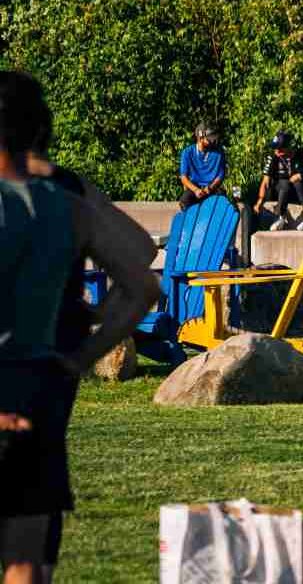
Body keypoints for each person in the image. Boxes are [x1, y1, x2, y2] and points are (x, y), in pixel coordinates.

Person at [1, 71, 161, 584]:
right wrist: (85, 351)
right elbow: (140, 264)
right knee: (27, 557)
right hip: (39, 381)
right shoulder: (67, 200)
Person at [250, 132, 303, 233]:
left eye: (280, 148)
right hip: (282, 191)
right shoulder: (273, 157)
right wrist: (260, 201)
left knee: (298, 182)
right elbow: (265, 181)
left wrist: (299, 175)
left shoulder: (302, 155)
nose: (277, 151)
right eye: (275, 148)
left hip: (301, 191)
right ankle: (280, 217)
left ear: (289, 147)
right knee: (284, 183)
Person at [176, 124, 227, 209]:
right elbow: (183, 178)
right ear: (200, 138)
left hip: (212, 188)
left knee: (222, 202)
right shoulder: (187, 152)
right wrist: (196, 190)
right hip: (194, 188)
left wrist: (210, 188)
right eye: (210, 139)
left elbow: (220, 175)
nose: (214, 141)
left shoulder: (219, 152)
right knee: (184, 202)